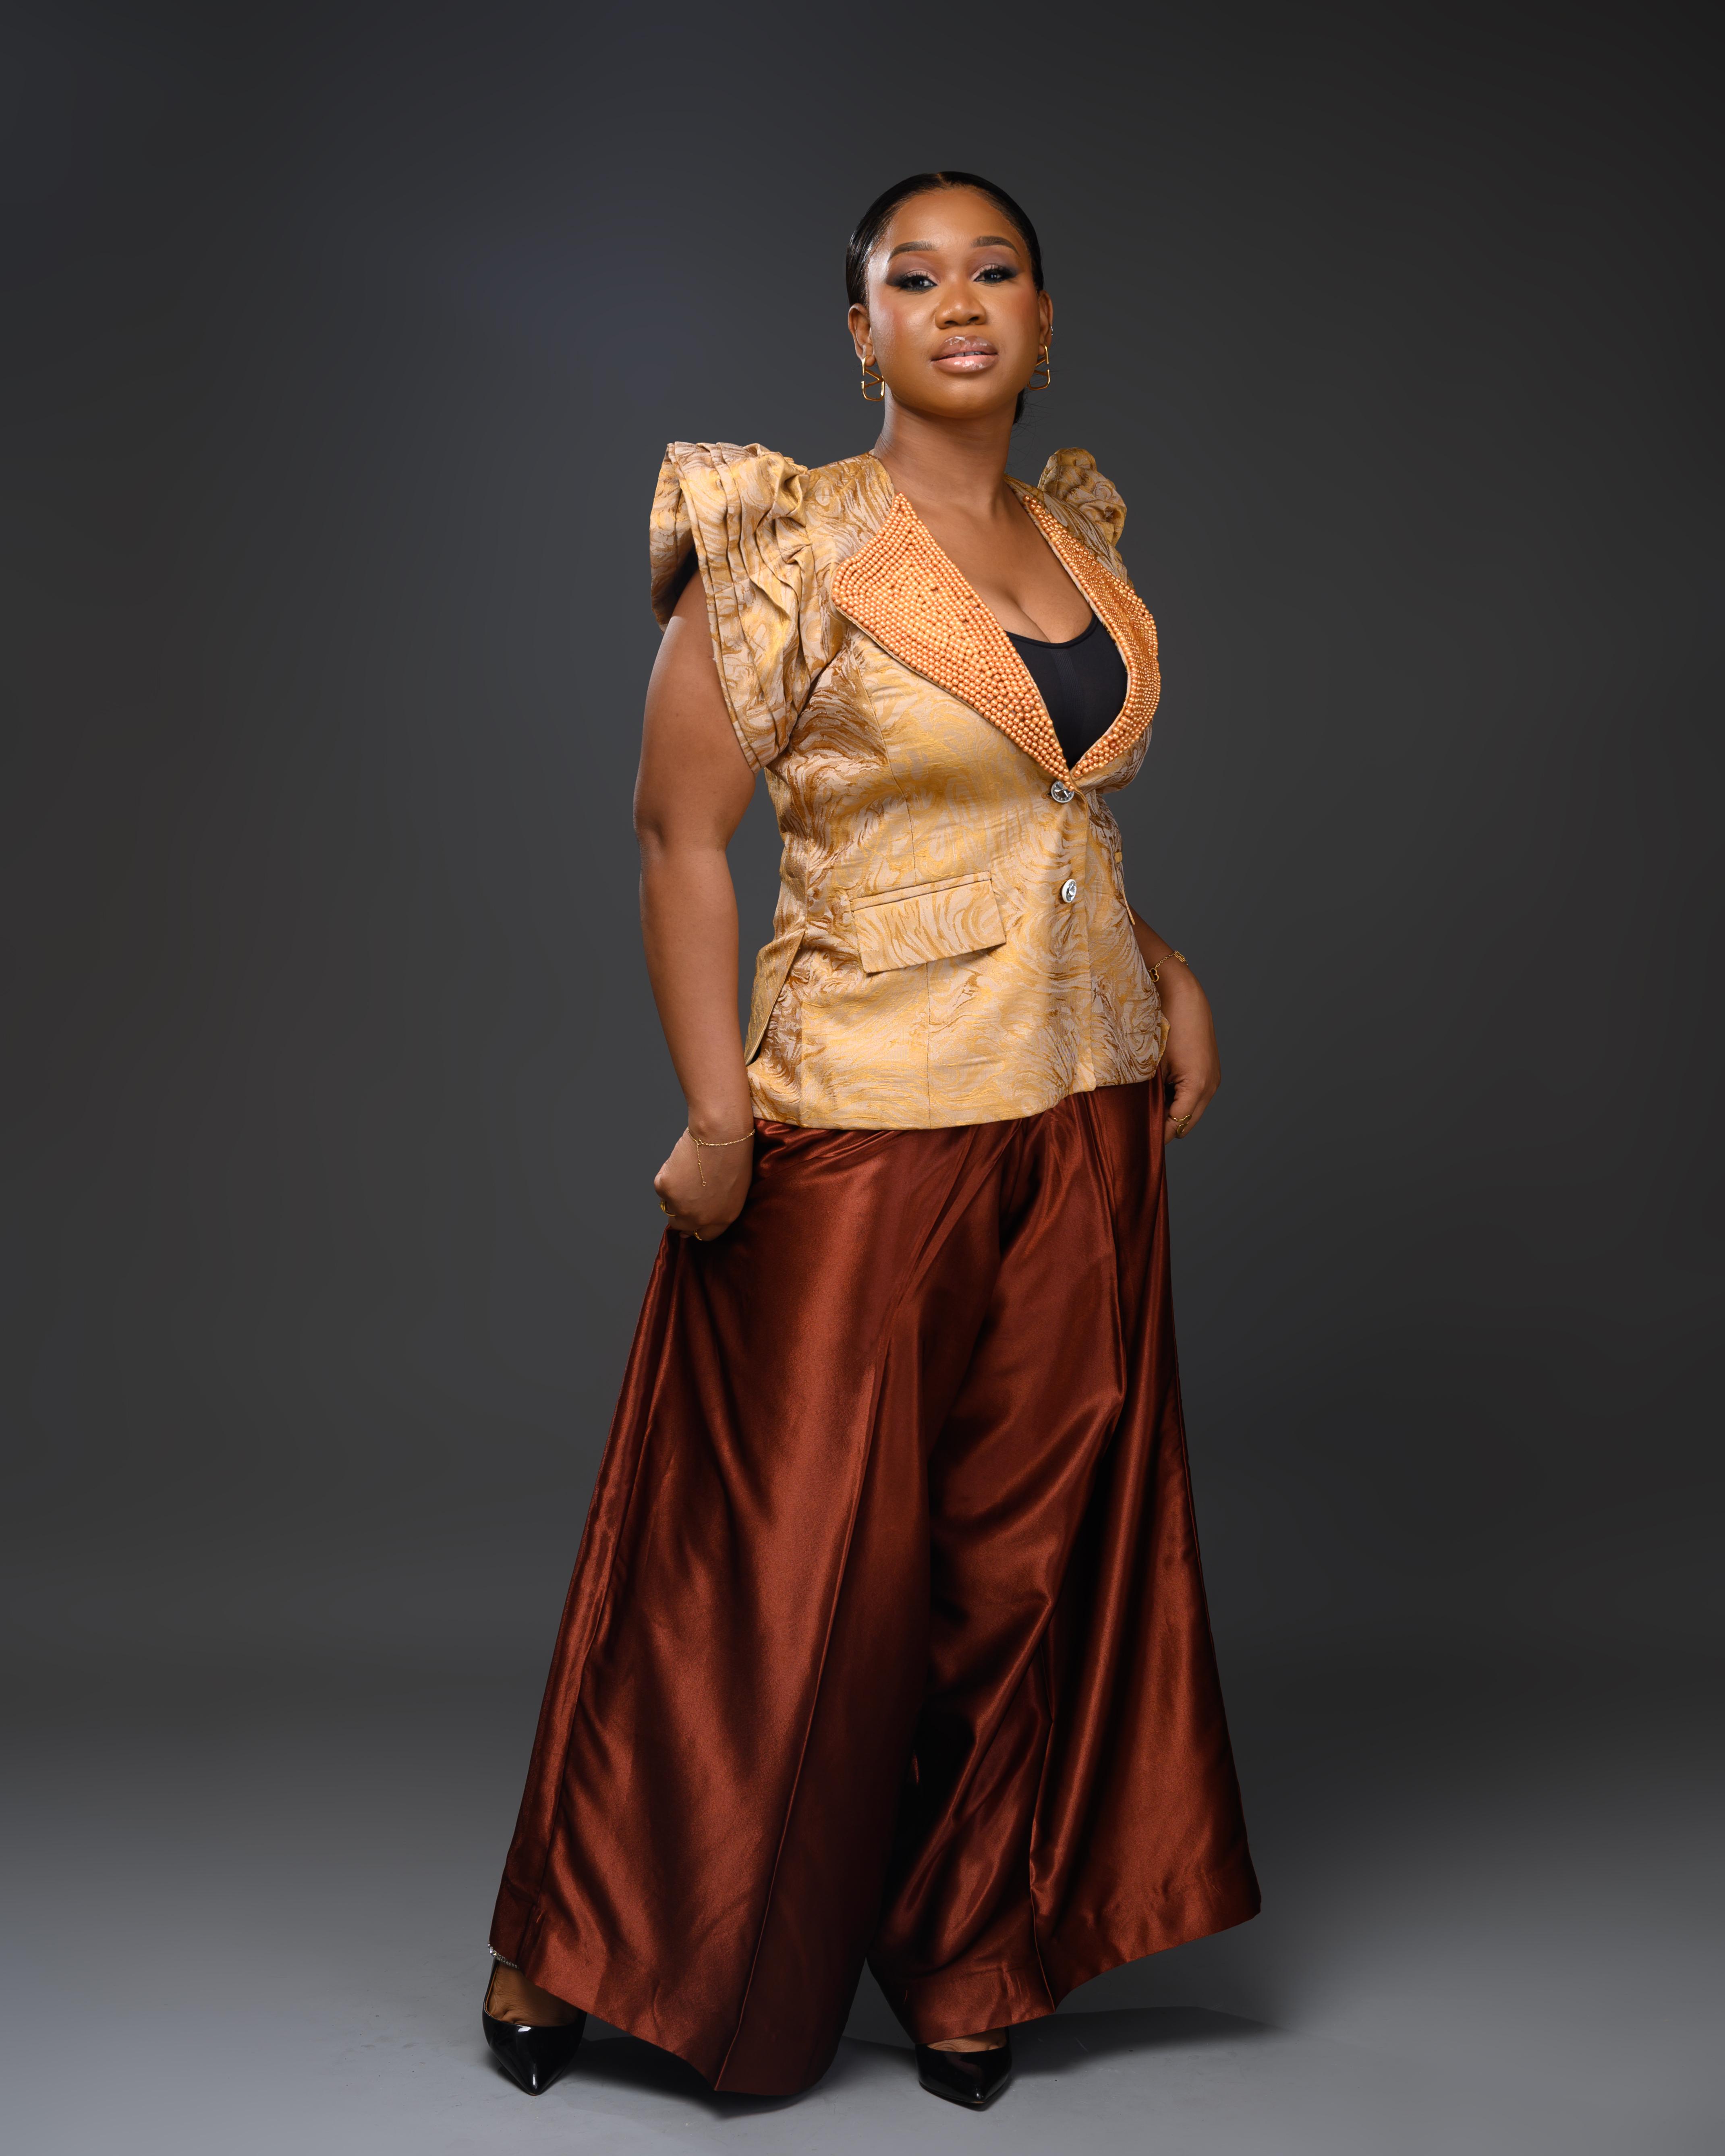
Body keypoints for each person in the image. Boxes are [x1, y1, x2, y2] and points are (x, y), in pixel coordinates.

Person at [480, 170, 1259, 2112]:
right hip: (864, 1115)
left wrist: (1165, 967)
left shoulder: (1078, 537)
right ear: (864, 334)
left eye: (998, 271)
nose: (961, 301)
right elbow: (679, 838)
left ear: (1046, 321)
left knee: (1020, 1565)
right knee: (774, 1566)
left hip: (1082, 1110)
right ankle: (582, 1939)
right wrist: (715, 1113)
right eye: (916, 277)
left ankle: (970, 1948)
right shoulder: (786, 541)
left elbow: (1051, 814)